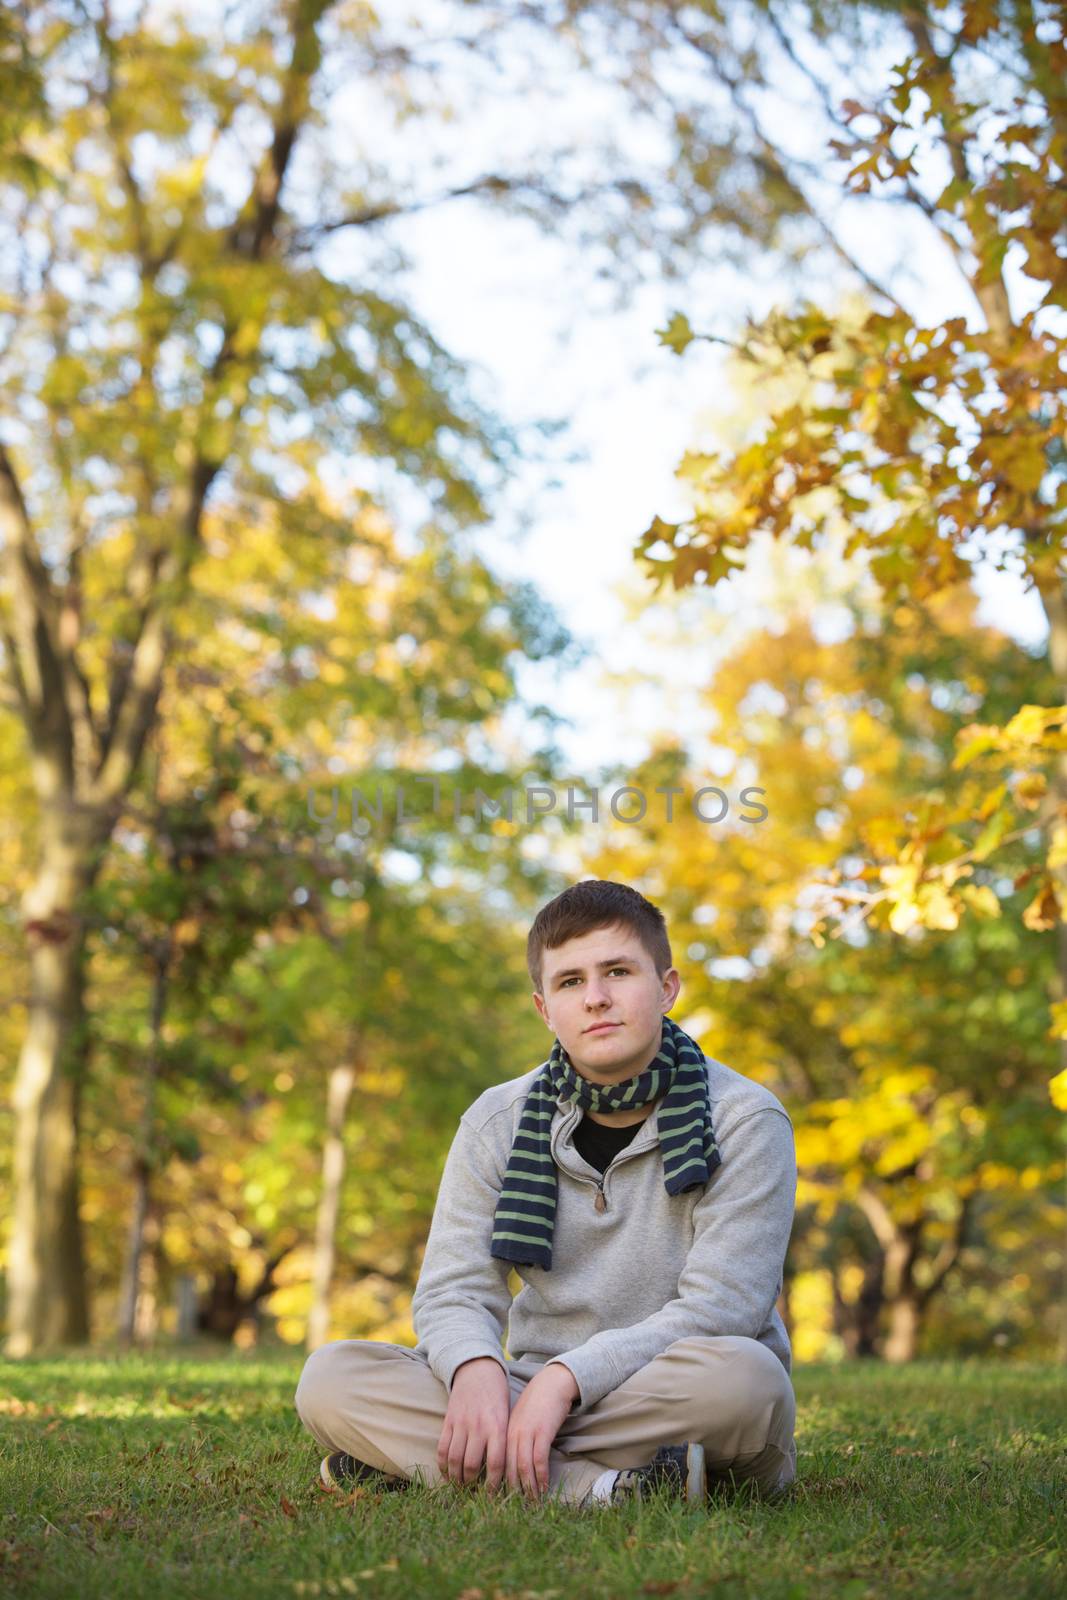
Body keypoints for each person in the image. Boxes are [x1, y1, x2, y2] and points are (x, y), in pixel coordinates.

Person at [295, 878, 798, 1507]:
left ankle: (445, 1463)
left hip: (667, 1388)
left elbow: (723, 1308)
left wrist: (565, 1381)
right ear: (544, 1008)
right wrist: (477, 1372)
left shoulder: (745, 1119)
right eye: (570, 982)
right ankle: (603, 1488)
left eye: (618, 971)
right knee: (332, 1378)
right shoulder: (496, 1119)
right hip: (526, 1384)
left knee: (747, 1381)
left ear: (666, 988)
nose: (596, 999)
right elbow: (455, 1288)